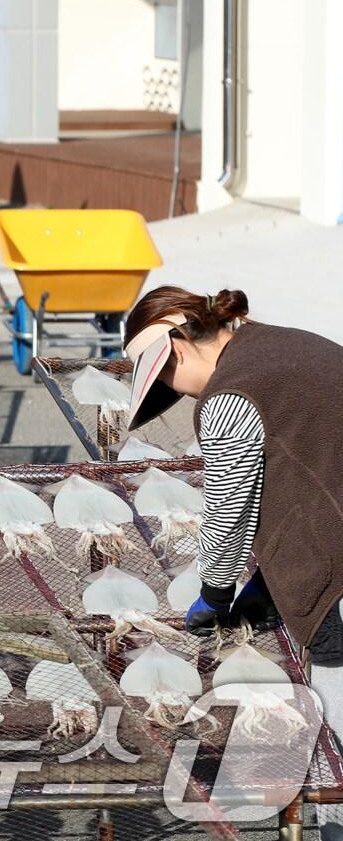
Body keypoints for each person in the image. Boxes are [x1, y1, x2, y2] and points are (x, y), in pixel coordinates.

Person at [124, 286, 343, 831]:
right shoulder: (295, 344)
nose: (175, 394)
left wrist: (215, 593)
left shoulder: (229, 397)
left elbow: (228, 515)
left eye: (164, 381)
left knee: (337, 732)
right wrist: (266, 586)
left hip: (337, 577)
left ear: (175, 352)